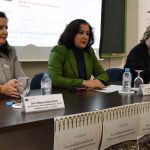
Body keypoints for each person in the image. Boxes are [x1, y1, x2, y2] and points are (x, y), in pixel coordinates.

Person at [48, 19, 109, 89]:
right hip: (65, 95)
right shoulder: (59, 50)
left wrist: (96, 82)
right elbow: (54, 79)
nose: (85, 37)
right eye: (81, 32)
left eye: (87, 33)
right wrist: (84, 83)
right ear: (71, 34)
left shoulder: (89, 51)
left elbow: (103, 74)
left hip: (85, 95)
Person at [0, 12, 25, 98]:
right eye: (0, 28)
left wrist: (18, 84)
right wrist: (2, 89)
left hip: (8, 105)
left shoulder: (11, 51)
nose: (5, 32)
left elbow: (22, 79)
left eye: (6, 28)